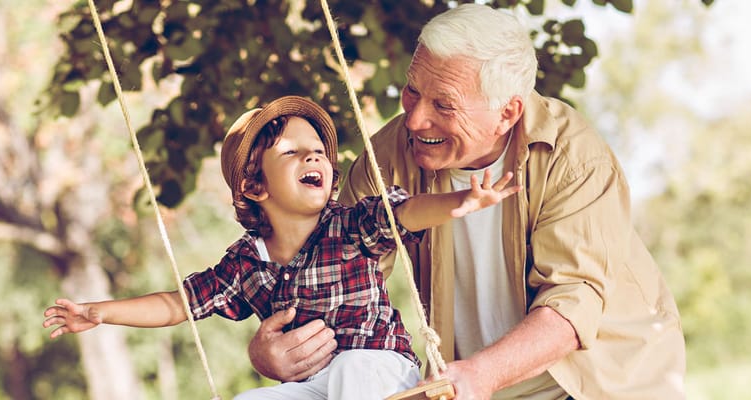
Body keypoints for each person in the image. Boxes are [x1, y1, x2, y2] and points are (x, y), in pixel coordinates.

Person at [246, 4, 686, 400]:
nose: (416, 119)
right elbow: (331, 274)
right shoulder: (387, 158)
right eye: (412, 91)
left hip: (602, 381)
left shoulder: (573, 157)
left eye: (444, 104)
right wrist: (278, 351)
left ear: (507, 113)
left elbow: (573, 302)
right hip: (476, 383)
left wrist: (482, 373)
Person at [43, 96, 520, 400]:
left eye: (318, 151)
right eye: (291, 153)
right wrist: (101, 312)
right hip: (315, 387)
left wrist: (462, 201)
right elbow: (177, 304)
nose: (313, 157)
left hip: (380, 374)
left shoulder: (351, 225)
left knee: (355, 369)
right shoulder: (246, 264)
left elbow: (407, 213)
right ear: (254, 186)